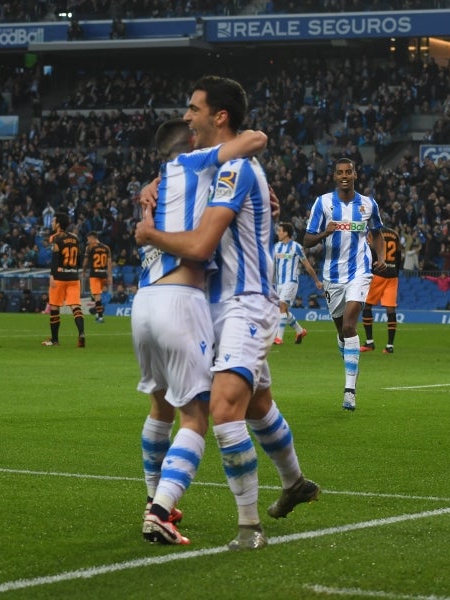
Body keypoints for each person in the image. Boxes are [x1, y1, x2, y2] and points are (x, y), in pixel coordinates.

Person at [136, 76, 318, 551]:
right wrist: (153, 184)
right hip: (206, 306)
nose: (186, 117)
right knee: (257, 402)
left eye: (193, 109)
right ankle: (295, 482)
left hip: (246, 303)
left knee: (222, 409)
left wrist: (151, 234)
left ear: (219, 117)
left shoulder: (237, 170)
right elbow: (179, 170)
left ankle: (249, 526)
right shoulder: (208, 168)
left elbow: (201, 244)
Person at [133, 116, 268, 547]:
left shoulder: (159, 184)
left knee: (159, 408)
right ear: (190, 141)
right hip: (181, 301)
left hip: (142, 302)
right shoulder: (196, 161)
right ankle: (159, 513)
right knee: (197, 416)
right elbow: (254, 139)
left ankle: (155, 497)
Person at [303, 158, 386, 411]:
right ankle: (349, 360)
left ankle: (349, 390)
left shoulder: (368, 204)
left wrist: (381, 258)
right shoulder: (323, 203)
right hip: (332, 275)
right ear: (335, 176)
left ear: (355, 174)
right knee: (342, 331)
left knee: (350, 325)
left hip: (360, 271)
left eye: (348, 171)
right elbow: (306, 240)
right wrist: (323, 234)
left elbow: (379, 233)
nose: (344, 176)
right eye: (340, 172)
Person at [272, 222, 322, 345]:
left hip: (291, 281)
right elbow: (271, 266)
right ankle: (300, 331)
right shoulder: (276, 247)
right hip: (279, 283)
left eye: (280, 231)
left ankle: (279, 338)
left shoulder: (296, 247)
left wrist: (316, 280)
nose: (278, 233)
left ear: (286, 233)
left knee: (282, 307)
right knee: (283, 310)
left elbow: (307, 265)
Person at [42, 213, 86, 347]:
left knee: (54, 307)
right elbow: (79, 260)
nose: (52, 223)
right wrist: (73, 270)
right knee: (76, 306)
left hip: (59, 277)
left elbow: (55, 261)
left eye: (54, 221)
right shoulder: (75, 238)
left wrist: (52, 276)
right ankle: (81, 333)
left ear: (59, 224)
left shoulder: (55, 238)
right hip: (73, 277)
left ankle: (54, 340)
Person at [361, 225, 403, 354]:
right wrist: (396, 271)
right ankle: (390, 346)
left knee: (367, 306)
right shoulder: (395, 234)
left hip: (378, 273)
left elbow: (371, 249)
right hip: (392, 276)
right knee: (391, 310)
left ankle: (369, 342)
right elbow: (399, 255)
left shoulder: (374, 233)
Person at [83, 231, 112, 323]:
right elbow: (109, 264)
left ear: (92, 238)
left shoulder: (90, 247)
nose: (88, 241)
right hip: (103, 274)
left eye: (88, 239)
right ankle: (98, 314)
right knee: (98, 295)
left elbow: (85, 262)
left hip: (94, 274)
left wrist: (83, 271)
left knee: (97, 296)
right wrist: (109, 276)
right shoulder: (106, 247)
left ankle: (100, 317)